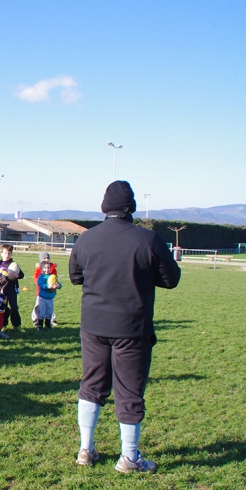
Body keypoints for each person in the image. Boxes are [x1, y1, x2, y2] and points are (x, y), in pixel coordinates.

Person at [69, 180, 181, 473]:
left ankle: (85, 450)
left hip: (93, 325)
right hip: (132, 328)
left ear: (104, 207)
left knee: (91, 385)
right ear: (130, 207)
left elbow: (75, 277)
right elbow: (171, 279)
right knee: (129, 391)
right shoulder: (148, 238)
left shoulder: (86, 239)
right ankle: (129, 458)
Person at [0, 244, 24, 330]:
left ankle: (16, 325)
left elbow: (21, 275)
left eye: (9, 253)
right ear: (1, 253)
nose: (7, 255)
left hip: (11, 289)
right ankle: (3, 325)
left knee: (14, 307)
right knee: (3, 308)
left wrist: (17, 276)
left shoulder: (14, 264)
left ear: (11, 254)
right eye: (5, 253)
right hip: (1, 290)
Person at [31, 252, 57, 326]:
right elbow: (36, 278)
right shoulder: (40, 268)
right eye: (44, 258)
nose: (47, 259)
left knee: (50, 306)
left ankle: (51, 319)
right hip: (41, 292)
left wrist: (55, 285)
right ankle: (35, 319)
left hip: (50, 292)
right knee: (38, 305)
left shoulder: (52, 268)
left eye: (48, 258)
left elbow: (53, 276)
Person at [34, 260, 61, 330]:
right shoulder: (41, 277)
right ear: (42, 269)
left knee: (49, 312)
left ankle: (48, 325)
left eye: (48, 268)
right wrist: (47, 286)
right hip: (42, 298)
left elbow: (58, 283)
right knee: (42, 312)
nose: (47, 269)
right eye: (45, 268)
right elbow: (40, 284)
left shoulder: (52, 276)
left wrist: (58, 286)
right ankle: (40, 326)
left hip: (50, 298)